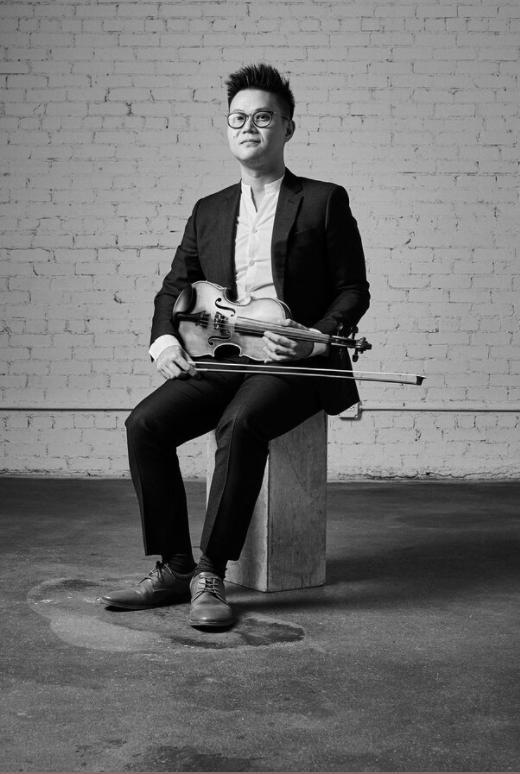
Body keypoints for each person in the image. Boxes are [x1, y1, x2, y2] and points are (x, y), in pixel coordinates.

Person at [101, 63, 370, 629]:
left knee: (240, 424)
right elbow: (177, 286)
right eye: (238, 118)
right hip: (224, 355)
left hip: (297, 363)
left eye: (263, 117)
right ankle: (174, 567)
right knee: (144, 426)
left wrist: (311, 340)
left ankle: (210, 572)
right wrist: (163, 339)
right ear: (228, 130)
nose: (250, 126)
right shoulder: (210, 209)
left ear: (287, 128)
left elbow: (352, 289)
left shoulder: (323, 200)